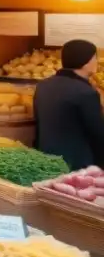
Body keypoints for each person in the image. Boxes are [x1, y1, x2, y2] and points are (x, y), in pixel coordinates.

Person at [33, 39, 104, 170]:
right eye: (95, 57)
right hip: (77, 165)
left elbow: (38, 124)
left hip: (46, 160)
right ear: (85, 62)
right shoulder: (86, 93)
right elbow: (98, 134)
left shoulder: (43, 86)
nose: (97, 62)